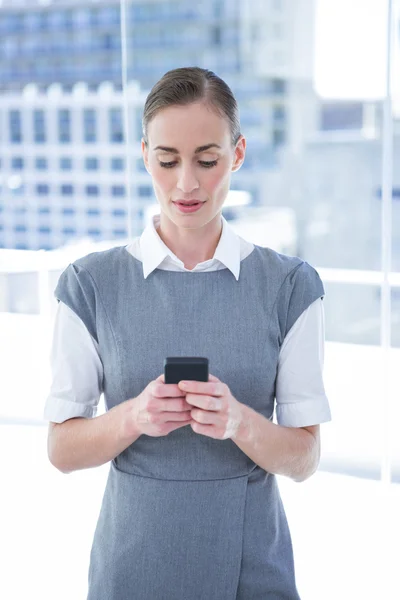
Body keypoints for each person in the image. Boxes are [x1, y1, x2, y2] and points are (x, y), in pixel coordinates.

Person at [44, 66, 332, 600]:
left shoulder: (290, 287)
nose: (187, 184)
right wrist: (134, 416)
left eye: (207, 159)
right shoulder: (91, 284)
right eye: (167, 160)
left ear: (237, 154)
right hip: (133, 563)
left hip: (252, 568)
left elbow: (305, 458)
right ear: (144, 154)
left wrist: (238, 422)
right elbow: (62, 448)